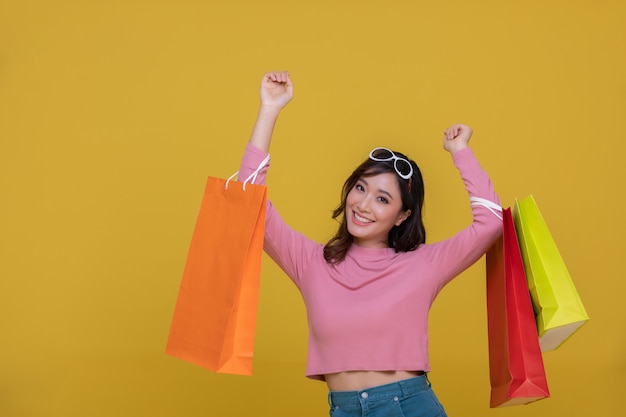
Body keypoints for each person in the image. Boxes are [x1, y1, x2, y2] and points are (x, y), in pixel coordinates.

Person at [238, 71, 502, 417]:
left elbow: (491, 222)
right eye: (360, 188)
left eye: (382, 199)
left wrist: (460, 151)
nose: (362, 205)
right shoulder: (311, 262)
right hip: (344, 409)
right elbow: (247, 206)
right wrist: (269, 110)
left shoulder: (423, 264)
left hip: (408, 406)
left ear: (402, 216)